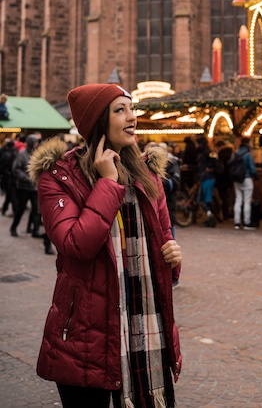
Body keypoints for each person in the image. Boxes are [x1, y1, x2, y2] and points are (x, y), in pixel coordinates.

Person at [29, 84, 182, 408]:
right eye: (120, 110)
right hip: (85, 336)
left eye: (132, 108)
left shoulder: (148, 174)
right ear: (98, 120)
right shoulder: (58, 177)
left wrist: (172, 255)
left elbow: (164, 236)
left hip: (144, 326)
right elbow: (75, 245)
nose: (132, 117)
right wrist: (108, 183)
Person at [10, 134, 40, 237]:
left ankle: (34, 230)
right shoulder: (21, 154)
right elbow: (16, 169)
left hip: (34, 188)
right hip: (23, 187)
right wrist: (27, 179)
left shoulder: (37, 154)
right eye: (35, 142)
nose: (37, 144)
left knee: (36, 209)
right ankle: (13, 228)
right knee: (21, 209)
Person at [232, 137, 257, 230]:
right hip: (246, 178)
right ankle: (247, 222)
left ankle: (237, 222)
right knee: (247, 201)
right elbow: (252, 169)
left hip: (237, 179)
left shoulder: (236, 152)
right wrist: (255, 175)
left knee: (238, 200)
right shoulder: (248, 154)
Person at [196, 137, 219, 227]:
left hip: (207, 178)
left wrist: (208, 168)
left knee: (203, 200)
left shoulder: (206, 152)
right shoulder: (207, 152)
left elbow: (213, 163)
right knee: (205, 199)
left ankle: (211, 217)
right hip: (207, 177)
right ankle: (211, 216)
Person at [214, 139, 233, 220]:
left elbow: (219, 168)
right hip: (230, 178)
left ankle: (225, 214)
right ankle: (227, 213)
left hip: (221, 178)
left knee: (223, 196)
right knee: (226, 196)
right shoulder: (231, 153)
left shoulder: (221, 154)